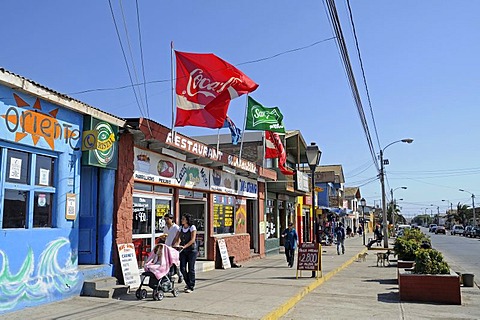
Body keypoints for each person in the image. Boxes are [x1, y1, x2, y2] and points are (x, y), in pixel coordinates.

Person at [174, 213, 197, 293]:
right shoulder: (181, 228)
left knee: (191, 268)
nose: (181, 220)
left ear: (187, 220)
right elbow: (177, 238)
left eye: (183, 219)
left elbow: (192, 240)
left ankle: (191, 286)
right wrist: (175, 244)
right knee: (182, 268)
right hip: (183, 250)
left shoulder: (192, 227)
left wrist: (185, 246)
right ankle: (188, 283)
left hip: (191, 250)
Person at [159, 213, 182, 283]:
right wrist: (163, 238)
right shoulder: (165, 227)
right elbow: (165, 237)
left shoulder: (176, 228)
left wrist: (176, 245)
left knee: (174, 263)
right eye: (165, 219)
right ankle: (168, 277)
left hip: (174, 248)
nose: (166, 221)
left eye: (167, 219)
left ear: (172, 219)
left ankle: (179, 275)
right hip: (167, 247)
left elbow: (179, 238)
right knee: (168, 263)